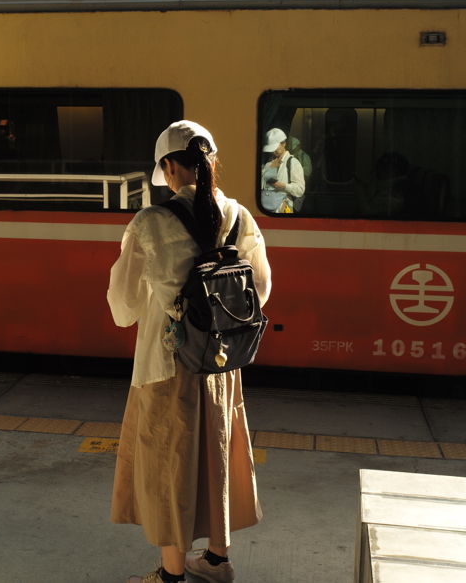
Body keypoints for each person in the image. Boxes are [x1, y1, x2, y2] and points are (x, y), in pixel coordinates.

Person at [107, 120, 271, 583]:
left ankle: (170, 576)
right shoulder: (239, 217)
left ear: (169, 168)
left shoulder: (150, 223)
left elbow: (123, 309)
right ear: (211, 162)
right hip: (221, 365)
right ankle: (217, 561)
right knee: (215, 457)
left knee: (168, 465)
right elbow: (261, 288)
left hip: (166, 365)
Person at [260, 127, 305, 213]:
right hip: (263, 207)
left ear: (284, 143)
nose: (273, 151)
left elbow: (300, 190)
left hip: (281, 207)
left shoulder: (292, 163)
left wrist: (283, 186)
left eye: (275, 148)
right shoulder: (265, 162)